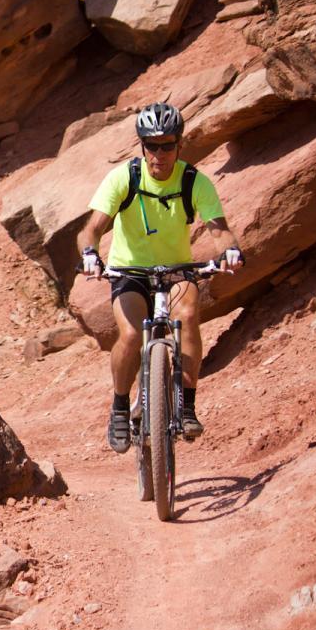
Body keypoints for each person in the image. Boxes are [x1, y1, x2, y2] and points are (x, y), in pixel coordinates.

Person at [76, 102, 244, 453]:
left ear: (179, 145)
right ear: (142, 146)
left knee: (187, 316)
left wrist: (230, 251)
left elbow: (219, 230)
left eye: (167, 145)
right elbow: (91, 229)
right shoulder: (125, 177)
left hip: (176, 270)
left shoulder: (193, 181)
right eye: (152, 146)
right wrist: (90, 255)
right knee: (132, 333)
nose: (159, 154)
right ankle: (121, 407)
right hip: (128, 272)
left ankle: (186, 406)